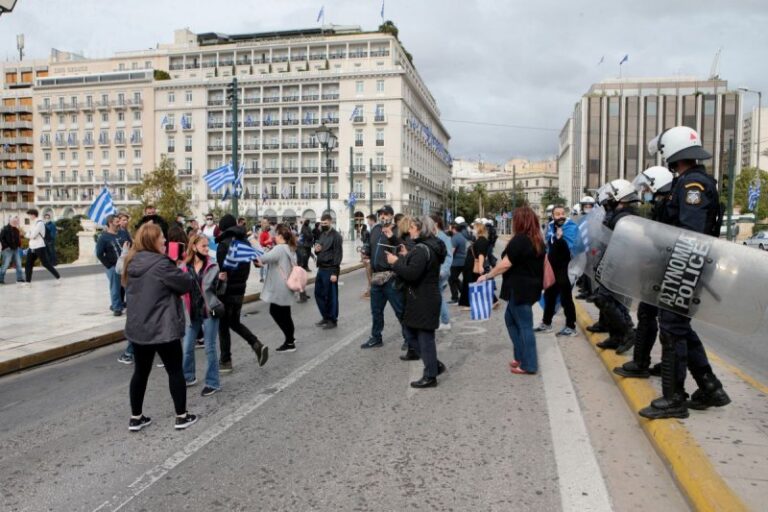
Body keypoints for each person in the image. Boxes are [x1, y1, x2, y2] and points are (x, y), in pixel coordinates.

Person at [639, 126, 730, 420]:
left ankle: (674, 398)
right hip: (685, 266)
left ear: (674, 151)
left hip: (686, 266)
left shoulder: (693, 185)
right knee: (679, 328)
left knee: (671, 329)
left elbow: (691, 232)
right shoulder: (690, 181)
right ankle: (710, 387)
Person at [121, 223, 198, 431]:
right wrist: (181, 264)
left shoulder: (131, 261)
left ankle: (136, 417)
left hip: (139, 328)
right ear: (152, 241)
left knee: (140, 372)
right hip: (163, 327)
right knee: (174, 371)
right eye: (161, 237)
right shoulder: (162, 264)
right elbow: (185, 284)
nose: (165, 240)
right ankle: (181, 416)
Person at [614, 166, 674, 379]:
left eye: (649, 187)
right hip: (656, 269)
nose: (646, 191)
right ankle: (641, 362)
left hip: (665, 271)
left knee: (671, 327)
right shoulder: (661, 205)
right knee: (648, 316)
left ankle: (704, 384)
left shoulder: (670, 205)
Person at [479, 206, 545, 374]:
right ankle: (521, 356)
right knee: (510, 319)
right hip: (530, 287)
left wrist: (488, 276)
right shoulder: (536, 239)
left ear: (520, 222)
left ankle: (529, 364)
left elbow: (506, 264)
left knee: (524, 326)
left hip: (520, 288)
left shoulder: (521, 240)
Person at [387, 216, 447, 388]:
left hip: (423, 298)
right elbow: (420, 266)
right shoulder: (430, 245)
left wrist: (395, 262)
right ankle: (433, 365)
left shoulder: (422, 249)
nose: (410, 230)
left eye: (413, 227)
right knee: (411, 331)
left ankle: (430, 375)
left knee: (424, 337)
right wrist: (408, 256)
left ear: (421, 229)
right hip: (424, 296)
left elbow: (412, 274)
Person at [215, 214, 269, 372]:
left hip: (226, 290)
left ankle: (226, 361)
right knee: (234, 322)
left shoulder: (224, 244)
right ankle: (255, 343)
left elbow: (222, 269)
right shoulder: (244, 243)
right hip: (241, 289)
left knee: (223, 325)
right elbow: (257, 262)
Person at [593, 180, 639, 353]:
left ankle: (628, 331)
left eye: (612, 196)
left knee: (606, 299)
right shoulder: (618, 214)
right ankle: (616, 336)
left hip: (620, 265)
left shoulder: (625, 217)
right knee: (608, 299)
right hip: (613, 263)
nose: (608, 199)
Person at [180, 234, 223, 397]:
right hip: (192, 313)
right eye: (203, 246)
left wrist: (222, 281)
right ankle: (187, 376)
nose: (207, 249)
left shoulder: (212, 266)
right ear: (194, 247)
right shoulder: (184, 267)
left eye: (207, 246)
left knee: (209, 348)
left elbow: (220, 291)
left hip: (209, 311)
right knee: (187, 347)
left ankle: (213, 382)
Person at [360, 205, 405, 348]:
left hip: (391, 276)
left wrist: (391, 238)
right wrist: (366, 251)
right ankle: (376, 337)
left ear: (391, 215)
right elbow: (370, 245)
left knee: (400, 310)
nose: (382, 216)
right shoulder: (376, 229)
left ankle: (409, 338)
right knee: (376, 310)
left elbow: (402, 249)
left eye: (385, 214)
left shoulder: (398, 231)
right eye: (380, 214)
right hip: (376, 276)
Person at [535, 205, 577, 336]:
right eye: (557, 214)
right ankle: (546, 323)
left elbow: (569, 248)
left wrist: (559, 238)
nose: (561, 216)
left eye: (562, 213)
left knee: (566, 299)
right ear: (553, 216)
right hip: (552, 268)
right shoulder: (551, 227)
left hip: (565, 269)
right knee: (550, 296)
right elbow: (548, 245)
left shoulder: (571, 227)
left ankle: (571, 327)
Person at [258, 224, 299, 353]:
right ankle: (291, 339)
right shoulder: (289, 247)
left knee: (275, 312)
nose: (274, 237)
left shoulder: (280, 249)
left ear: (280, 236)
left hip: (280, 288)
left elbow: (263, 258)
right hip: (287, 286)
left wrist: (256, 246)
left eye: (276, 234)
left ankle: (290, 341)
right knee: (286, 314)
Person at [459, 220, 498, 311]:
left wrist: (480, 266)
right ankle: (492, 301)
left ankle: (491, 301)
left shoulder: (481, 240)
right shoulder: (480, 239)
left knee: (473, 284)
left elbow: (481, 255)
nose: (472, 230)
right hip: (471, 266)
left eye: (474, 228)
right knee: (475, 283)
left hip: (474, 266)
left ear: (479, 229)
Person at [313, 213, 343, 330]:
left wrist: (335, 272)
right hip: (321, 268)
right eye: (322, 223)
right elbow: (319, 250)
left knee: (331, 296)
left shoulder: (336, 236)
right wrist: (316, 251)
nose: (323, 225)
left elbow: (337, 254)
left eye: (325, 223)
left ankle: (332, 319)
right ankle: (325, 316)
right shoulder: (322, 234)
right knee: (318, 294)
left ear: (330, 222)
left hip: (330, 269)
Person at [95, 215, 125, 316]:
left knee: (125, 287)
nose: (119, 224)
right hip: (113, 267)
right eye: (117, 222)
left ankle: (123, 304)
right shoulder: (103, 237)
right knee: (115, 287)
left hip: (125, 266)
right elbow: (99, 253)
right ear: (110, 223)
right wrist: (109, 266)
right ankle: (117, 308)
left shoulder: (122, 233)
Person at [23, 208, 61, 285]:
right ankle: (27, 282)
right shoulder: (33, 223)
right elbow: (27, 234)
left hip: (39, 246)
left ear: (33, 215)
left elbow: (32, 235)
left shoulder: (39, 223)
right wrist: (29, 235)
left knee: (46, 263)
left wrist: (29, 235)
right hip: (32, 247)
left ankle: (58, 277)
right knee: (28, 264)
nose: (29, 217)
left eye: (29, 215)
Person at [432, 215, 453, 330]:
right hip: (436, 271)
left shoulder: (443, 237)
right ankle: (442, 320)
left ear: (435, 224)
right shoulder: (435, 236)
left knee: (438, 296)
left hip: (440, 272)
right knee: (436, 296)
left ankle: (445, 321)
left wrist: (443, 270)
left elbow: (449, 255)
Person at [0, 216, 25, 284]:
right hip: (7, 250)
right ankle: (1, 279)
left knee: (19, 264)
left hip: (16, 249)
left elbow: (18, 239)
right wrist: (6, 247)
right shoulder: (5, 229)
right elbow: (1, 239)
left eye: (16, 221)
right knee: (5, 265)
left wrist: (19, 246)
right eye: (14, 221)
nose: (16, 222)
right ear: (10, 221)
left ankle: (19, 279)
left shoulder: (16, 230)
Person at [448, 222, 467, 304]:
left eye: (450, 228)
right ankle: (463, 293)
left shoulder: (455, 238)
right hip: (463, 261)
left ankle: (455, 297)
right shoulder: (462, 237)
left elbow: (452, 251)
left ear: (453, 229)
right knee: (455, 278)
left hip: (456, 262)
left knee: (451, 279)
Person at [296, 219, 314, 302]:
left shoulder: (299, 245)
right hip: (300, 264)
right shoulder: (299, 245)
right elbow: (309, 235)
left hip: (300, 265)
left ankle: (303, 296)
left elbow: (310, 235)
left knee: (301, 278)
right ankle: (302, 295)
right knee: (300, 279)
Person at [360, 214, 376, 298]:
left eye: (368, 220)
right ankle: (370, 289)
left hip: (371, 256)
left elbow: (370, 243)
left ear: (372, 220)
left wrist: (366, 253)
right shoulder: (371, 230)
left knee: (370, 273)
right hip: (370, 255)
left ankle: (371, 290)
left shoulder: (374, 230)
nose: (368, 222)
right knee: (369, 273)